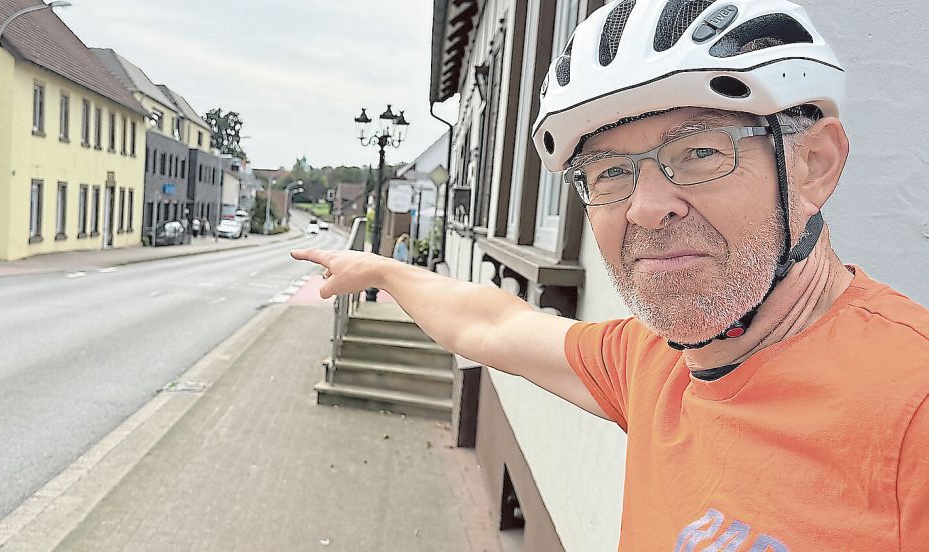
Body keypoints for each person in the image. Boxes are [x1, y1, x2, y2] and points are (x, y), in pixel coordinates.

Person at [292, 1, 929, 549]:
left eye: (700, 151)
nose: (647, 208)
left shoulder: (910, 404)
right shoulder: (654, 364)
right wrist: (380, 268)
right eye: (609, 172)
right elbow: (489, 323)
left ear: (814, 164)